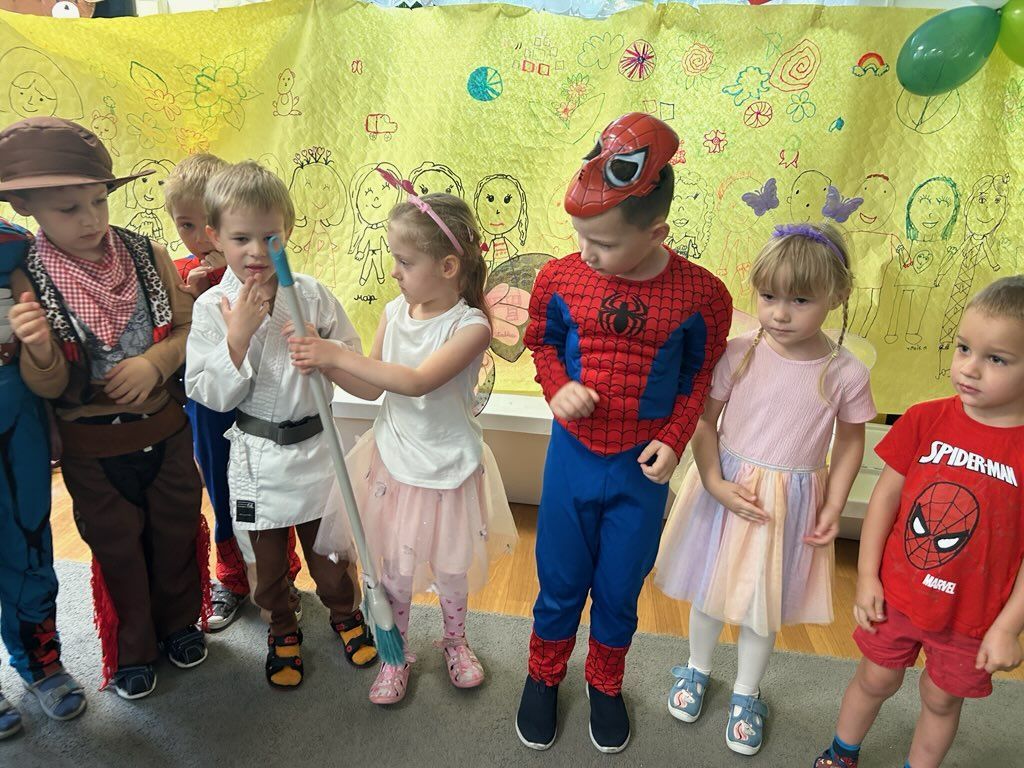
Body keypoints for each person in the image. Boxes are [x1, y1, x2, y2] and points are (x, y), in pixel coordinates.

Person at [513, 113, 733, 753]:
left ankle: (605, 682)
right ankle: (543, 675)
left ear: (656, 232)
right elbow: (542, 341)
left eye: (604, 243)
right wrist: (557, 387)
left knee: (619, 587)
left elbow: (698, 375)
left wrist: (676, 436)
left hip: (641, 469)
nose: (587, 252)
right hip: (572, 459)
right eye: (580, 236)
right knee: (559, 580)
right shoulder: (560, 278)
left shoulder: (702, 296)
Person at [290, 176, 517, 705]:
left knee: (452, 565)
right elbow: (372, 387)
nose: (394, 271)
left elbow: (416, 382)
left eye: (405, 261)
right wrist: (325, 362)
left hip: (449, 466)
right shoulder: (394, 313)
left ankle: (455, 641)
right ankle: (396, 655)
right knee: (392, 570)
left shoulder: (471, 327)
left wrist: (337, 355)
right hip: (393, 462)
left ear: (448, 266)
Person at [4, 117, 208, 700]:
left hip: (164, 429)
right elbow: (48, 386)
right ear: (25, 206)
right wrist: (40, 349)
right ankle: (133, 649)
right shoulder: (29, 279)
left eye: (98, 201)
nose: (91, 219)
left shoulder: (147, 254)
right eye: (69, 209)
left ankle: (179, 624)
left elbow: (189, 329)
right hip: (92, 448)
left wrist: (156, 363)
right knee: (117, 546)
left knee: (174, 528)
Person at [655, 222, 875, 755]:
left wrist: (836, 503)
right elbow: (703, 421)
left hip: (788, 504)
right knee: (708, 587)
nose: (779, 313)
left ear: (837, 295)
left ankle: (747, 692)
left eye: (800, 300)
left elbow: (850, 442)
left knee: (762, 603)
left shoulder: (845, 372)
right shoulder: (739, 352)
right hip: (726, 488)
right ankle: (696, 668)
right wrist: (713, 481)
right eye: (769, 296)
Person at [815, 277, 1024, 768]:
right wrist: (866, 576)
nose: (969, 367)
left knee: (941, 699)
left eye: (996, 359)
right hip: (899, 594)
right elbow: (884, 501)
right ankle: (842, 752)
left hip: (974, 617)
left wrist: (1009, 628)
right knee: (875, 678)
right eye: (963, 348)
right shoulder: (925, 418)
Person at [185, 161, 377, 688]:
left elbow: (355, 362)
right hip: (258, 459)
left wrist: (326, 350)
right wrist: (238, 337)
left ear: (287, 232)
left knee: (331, 552)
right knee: (266, 564)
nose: (256, 251)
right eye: (240, 238)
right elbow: (207, 392)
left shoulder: (310, 295)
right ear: (215, 238)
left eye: (270, 237)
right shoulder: (213, 307)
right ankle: (282, 627)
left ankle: (345, 613)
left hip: (316, 450)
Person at [165, 152, 302, 631]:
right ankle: (234, 576)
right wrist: (194, 298)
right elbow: (195, 368)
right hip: (211, 411)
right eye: (186, 226)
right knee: (224, 489)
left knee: (275, 489)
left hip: (270, 415)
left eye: (204, 225)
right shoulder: (187, 280)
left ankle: (280, 576)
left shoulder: (280, 279)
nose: (199, 239)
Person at [0, 218, 86, 737]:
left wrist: (50, 418)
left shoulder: (14, 244)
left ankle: (40, 660)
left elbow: (42, 343)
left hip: (17, 410)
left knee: (30, 536)